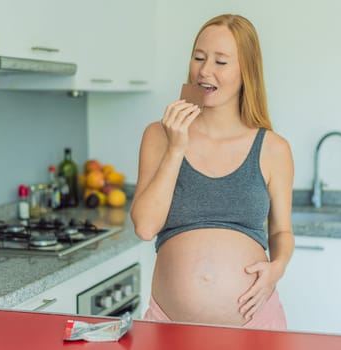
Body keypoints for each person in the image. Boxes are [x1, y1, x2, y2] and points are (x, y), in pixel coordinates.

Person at [130, 14, 294, 330]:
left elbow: (281, 232)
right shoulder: (159, 135)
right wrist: (176, 147)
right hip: (169, 327)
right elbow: (145, 227)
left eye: (221, 62)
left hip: (255, 325)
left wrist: (278, 268)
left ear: (247, 73)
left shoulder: (274, 148)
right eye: (199, 58)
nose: (204, 71)